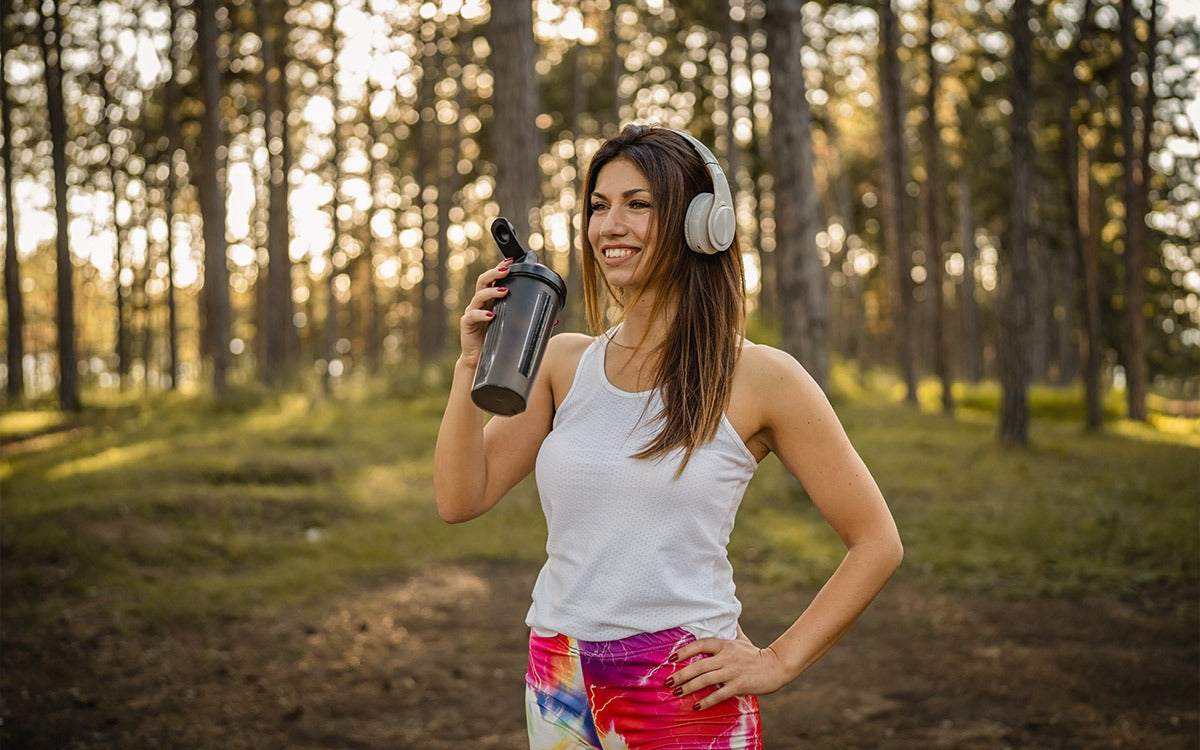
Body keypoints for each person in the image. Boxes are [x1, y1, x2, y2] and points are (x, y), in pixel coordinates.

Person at [434, 124, 903, 749]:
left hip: (682, 693)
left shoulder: (761, 377)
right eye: (599, 206)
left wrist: (779, 660)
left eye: (638, 204)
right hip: (557, 678)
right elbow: (460, 499)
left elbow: (877, 541)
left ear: (698, 223)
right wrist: (471, 365)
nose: (609, 226)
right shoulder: (561, 363)